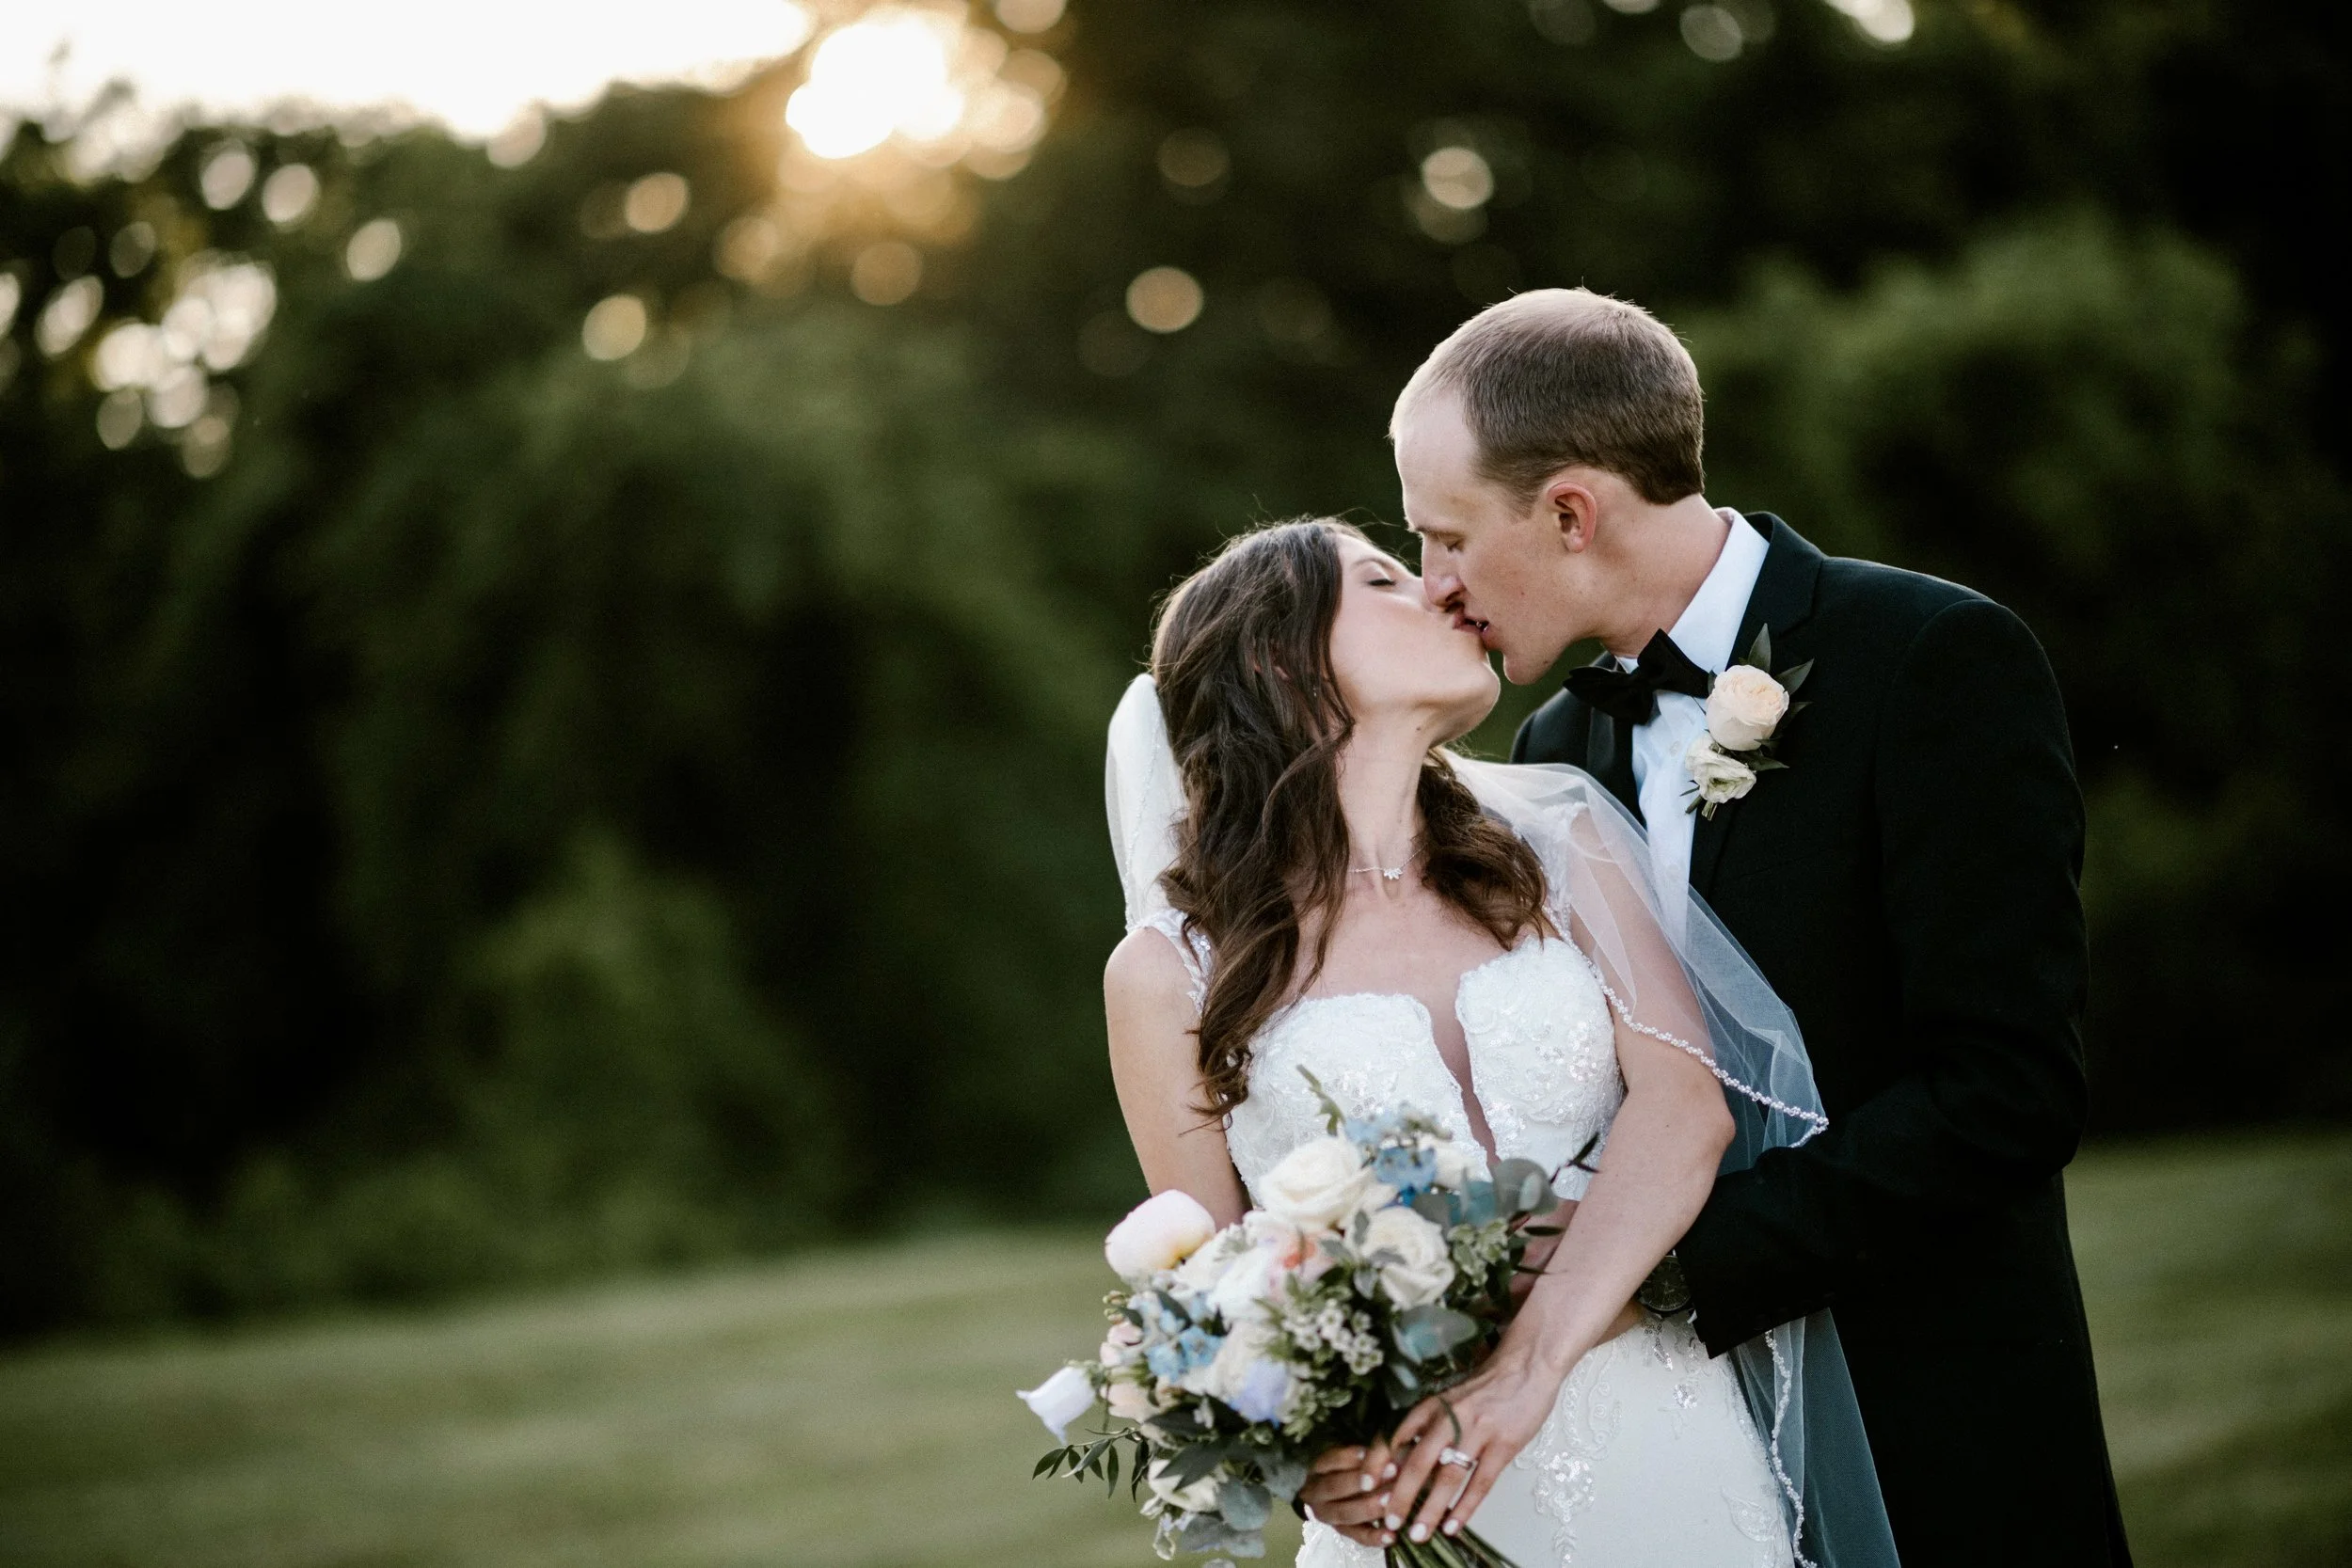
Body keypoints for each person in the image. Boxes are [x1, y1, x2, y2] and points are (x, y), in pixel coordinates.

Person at [1353, 288, 2132, 1568]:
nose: (1437, 585)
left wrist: (1673, 1264)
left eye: (1445, 538)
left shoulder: (1930, 657)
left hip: (1927, 1399)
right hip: (1679, 1449)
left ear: (1569, 511)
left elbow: (2011, 1087)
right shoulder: (1560, 744)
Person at [1102, 516, 1896, 1567]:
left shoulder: (1555, 847)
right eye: (1382, 580)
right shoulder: (1170, 970)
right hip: (1424, 1492)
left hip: (1664, 1432)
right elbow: (1216, 1286)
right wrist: (1311, 1460)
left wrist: (1532, 1362)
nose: (1439, 590)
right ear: (1277, 658)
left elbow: (1684, 1105)